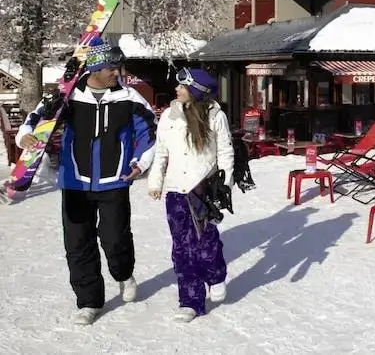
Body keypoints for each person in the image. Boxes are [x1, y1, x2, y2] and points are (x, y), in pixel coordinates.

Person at [14, 37, 157, 326]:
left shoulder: (129, 97)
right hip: (75, 181)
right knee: (78, 244)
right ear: (95, 68)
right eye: (111, 68)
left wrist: (140, 162)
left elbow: (150, 132)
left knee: (115, 239)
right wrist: (25, 136)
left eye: (118, 68)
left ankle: (123, 273)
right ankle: (89, 301)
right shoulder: (68, 96)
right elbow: (37, 117)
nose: (117, 73)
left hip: (115, 180)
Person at [147, 68, 234, 322]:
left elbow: (225, 152)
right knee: (182, 248)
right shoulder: (169, 116)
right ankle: (190, 301)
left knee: (206, 242)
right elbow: (161, 151)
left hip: (203, 188)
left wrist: (225, 186)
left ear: (196, 90)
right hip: (176, 190)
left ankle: (215, 275)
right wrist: (156, 181)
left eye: (182, 86)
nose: (177, 89)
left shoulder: (215, 115)